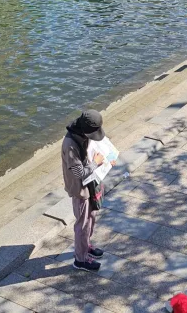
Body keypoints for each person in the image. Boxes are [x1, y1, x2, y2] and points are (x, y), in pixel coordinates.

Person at [61, 110, 112, 272]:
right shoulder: (70, 145)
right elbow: (78, 173)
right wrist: (96, 163)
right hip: (80, 189)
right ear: (85, 131)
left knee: (92, 216)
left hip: (91, 183)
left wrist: (108, 161)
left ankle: (86, 245)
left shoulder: (82, 134)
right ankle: (80, 259)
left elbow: (97, 150)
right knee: (82, 223)